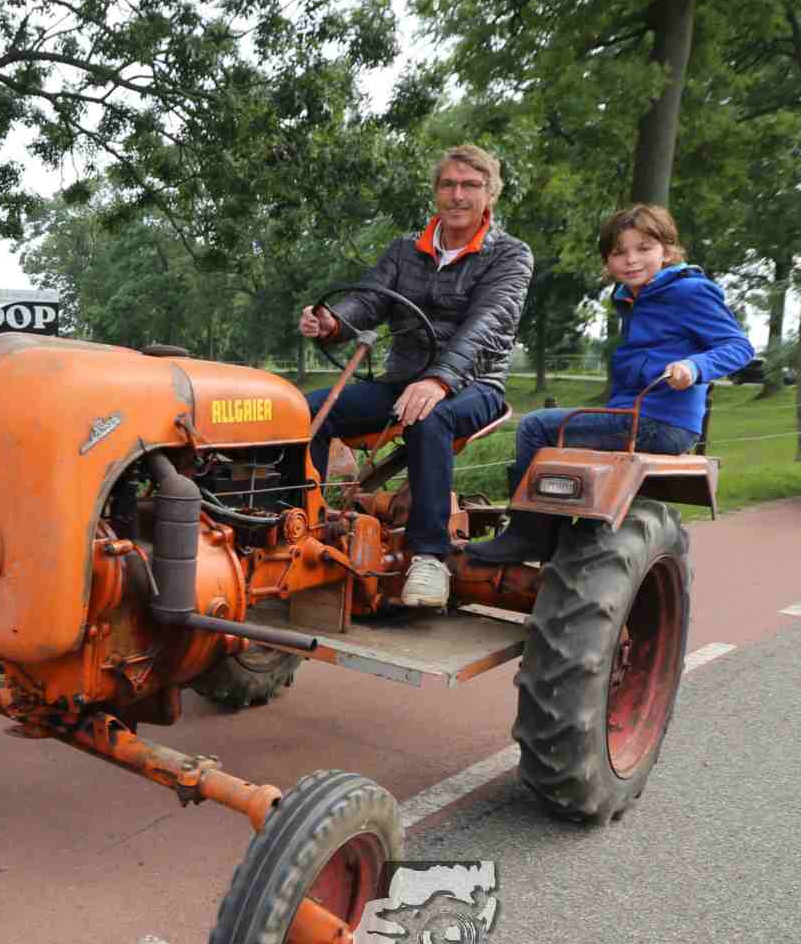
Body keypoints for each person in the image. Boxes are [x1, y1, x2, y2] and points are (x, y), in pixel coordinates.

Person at [299, 144, 534, 608]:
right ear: (436, 192)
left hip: (474, 384)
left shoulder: (510, 255)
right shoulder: (405, 250)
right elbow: (370, 299)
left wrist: (439, 380)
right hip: (402, 379)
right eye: (448, 184)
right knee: (307, 411)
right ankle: (302, 526)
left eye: (470, 185)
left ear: (490, 194)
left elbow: (487, 325)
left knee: (431, 418)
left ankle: (429, 557)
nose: (458, 195)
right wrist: (332, 322)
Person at [469, 203, 753, 567]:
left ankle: (529, 534)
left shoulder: (690, 292)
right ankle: (556, 534)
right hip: (634, 416)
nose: (631, 260)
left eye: (644, 248)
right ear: (607, 261)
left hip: (662, 422)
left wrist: (694, 366)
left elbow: (739, 347)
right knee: (563, 447)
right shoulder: (634, 298)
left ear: (666, 251)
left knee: (536, 427)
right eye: (619, 252)